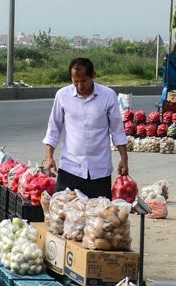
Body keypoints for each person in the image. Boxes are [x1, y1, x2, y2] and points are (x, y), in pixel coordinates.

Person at [43, 58, 129, 199]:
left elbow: (117, 130)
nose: (79, 86)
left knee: (99, 217)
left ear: (93, 75)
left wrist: (124, 159)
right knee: (64, 213)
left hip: (99, 171)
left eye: (83, 81)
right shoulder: (62, 95)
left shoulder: (108, 96)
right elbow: (54, 128)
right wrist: (49, 157)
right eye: (75, 81)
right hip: (70, 168)